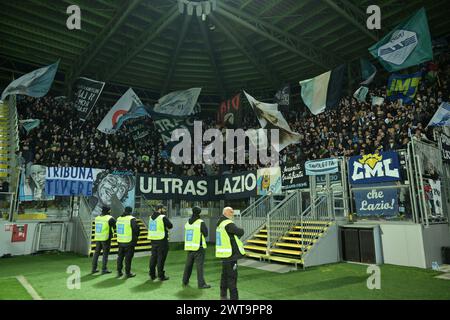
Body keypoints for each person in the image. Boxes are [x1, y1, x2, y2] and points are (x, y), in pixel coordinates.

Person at [216, 206, 245, 300]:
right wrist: (242, 230)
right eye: (230, 212)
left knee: (224, 276)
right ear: (225, 213)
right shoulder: (228, 223)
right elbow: (239, 232)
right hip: (230, 255)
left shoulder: (220, 223)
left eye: (233, 212)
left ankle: (223, 296)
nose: (232, 214)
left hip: (223, 254)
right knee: (232, 278)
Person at [182, 206, 210, 289]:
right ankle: (201, 284)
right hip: (198, 247)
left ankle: (185, 281)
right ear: (199, 213)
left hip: (189, 247)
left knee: (188, 265)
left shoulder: (187, 222)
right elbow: (205, 234)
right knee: (199, 266)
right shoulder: (200, 222)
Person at [148, 203, 173, 281]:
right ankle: (161, 275)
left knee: (153, 257)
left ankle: (152, 274)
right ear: (160, 209)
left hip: (153, 240)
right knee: (161, 259)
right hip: (162, 241)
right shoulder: (162, 217)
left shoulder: (151, 217)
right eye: (164, 209)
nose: (164, 210)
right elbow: (170, 226)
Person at [116, 206, 140, 278]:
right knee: (128, 258)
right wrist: (136, 237)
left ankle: (119, 271)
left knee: (120, 257)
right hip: (129, 242)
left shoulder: (119, 218)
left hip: (120, 241)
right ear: (131, 211)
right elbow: (136, 229)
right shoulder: (131, 219)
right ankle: (128, 272)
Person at [92, 207, 116, 274]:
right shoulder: (109, 218)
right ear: (108, 211)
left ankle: (93, 269)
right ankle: (104, 269)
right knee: (105, 254)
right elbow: (115, 226)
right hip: (106, 238)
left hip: (98, 237)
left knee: (96, 253)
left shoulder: (97, 218)